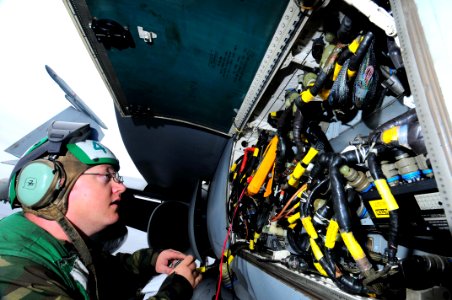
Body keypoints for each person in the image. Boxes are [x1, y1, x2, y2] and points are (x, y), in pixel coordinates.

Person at [0, 122, 202, 299]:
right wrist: (177, 289)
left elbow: (108, 272)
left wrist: (152, 261)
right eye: (107, 176)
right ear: (54, 185)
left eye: (117, 177)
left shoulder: (65, 246)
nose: (120, 187)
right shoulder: (14, 273)